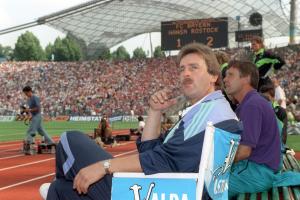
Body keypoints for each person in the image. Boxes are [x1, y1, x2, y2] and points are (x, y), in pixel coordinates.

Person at [42, 43, 242, 200]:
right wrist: (155, 112)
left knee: (70, 140)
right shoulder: (210, 109)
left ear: (214, 76)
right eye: (181, 69)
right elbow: (150, 151)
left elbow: (162, 161)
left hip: (156, 192)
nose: (185, 74)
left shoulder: (212, 114)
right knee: (61, 190)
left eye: (194, 68)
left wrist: (104, 166)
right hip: (166, 188)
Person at [223, 60, 300, 198]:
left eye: (230, 75)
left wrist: (216, 160)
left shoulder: (252, 105)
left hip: (258, 172)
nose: (225, 79)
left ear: (246, 78)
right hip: (261, 169)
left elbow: (244, 151)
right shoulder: (252, 102)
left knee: (209, 187)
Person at [22, 86, 54, 155]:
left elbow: (38, 108)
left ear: (29, 91)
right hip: (34, 116)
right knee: (41, 131)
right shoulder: (29, 99)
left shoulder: (35, 98)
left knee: (31, 131)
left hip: (37, 116)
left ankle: (28, 145)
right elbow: (31, 110)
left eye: (26, 93)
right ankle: (51, 143)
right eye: (25, 94)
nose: (26, 95)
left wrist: (29, 110)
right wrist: (30, 115)